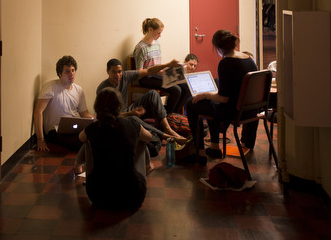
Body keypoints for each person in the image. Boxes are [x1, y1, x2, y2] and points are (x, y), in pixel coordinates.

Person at [184, 30, 257, 165]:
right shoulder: (248, 59)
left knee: (191, 104)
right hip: (250, 109)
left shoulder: (226, 62)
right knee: (210, 100)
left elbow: (223, 99)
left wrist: (204, 94)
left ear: (218, 48)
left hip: (234, 112)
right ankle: (214, 147)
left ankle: (200, 153)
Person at [79, 87, 152, 209]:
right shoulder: (132, 125)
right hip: (133, 195)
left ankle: (79, 166)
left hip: (98, 196)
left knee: (87, 142)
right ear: (119, 105)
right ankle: (146, 168)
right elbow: (148, 137)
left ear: (97, 106)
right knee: (141, 141)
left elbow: (81, 138)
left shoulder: (93, 128)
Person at [97, 58, 186, 140]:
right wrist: (130, 113)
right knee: (133, 119)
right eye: (114, 72)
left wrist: (168, 65)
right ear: (107, 71)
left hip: (128, 111)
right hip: (115, 119)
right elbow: (107, 116)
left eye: (119, 71)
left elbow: (148, 71)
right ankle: (165, 136)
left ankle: (167, 128)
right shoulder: (103, 89)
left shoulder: (124, 76)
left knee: (153, 94)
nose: (117, 75)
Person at [33, 55, 94, 152]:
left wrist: (96, 119)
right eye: (67, 71)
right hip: (55, 131)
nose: (71, 74)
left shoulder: (78, 90)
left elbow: (84, 114)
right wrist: (40, 139)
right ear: (60, 73)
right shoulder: (50, 87)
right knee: (81, 143)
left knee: (95, 137)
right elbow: (38, 112)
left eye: (73, 70)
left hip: (74, 128)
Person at [133, 18, 183, 114]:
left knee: (185, 85)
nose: (160, 36)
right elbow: (139, 73)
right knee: (176, 89)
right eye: (158, 33)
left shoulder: (157, 44)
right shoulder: (141, 48)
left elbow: (157, 65)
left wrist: (169, 69)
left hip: (157, 75)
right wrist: (160, 69)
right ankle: (167, 116)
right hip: (146, 78)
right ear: (150, 29)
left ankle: (176, 115)